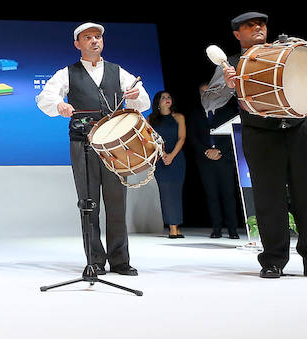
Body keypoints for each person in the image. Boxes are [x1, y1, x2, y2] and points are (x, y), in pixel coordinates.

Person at [202, 12, 307, 280]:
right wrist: (229, 86)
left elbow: (306, 84)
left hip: (297, 129)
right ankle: (273, 260)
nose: (257, 28)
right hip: (260, 134)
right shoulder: (232, 64)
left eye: (261, 24)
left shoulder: (288, 51)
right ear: (237, 34)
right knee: (269, 199)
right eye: (249, 25)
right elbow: (208, 103)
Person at [35, 22, 149, 276]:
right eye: (88, 37)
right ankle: (95, 260)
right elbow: (45, 98)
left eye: (98, 36)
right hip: (82, 143)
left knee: (117, 201)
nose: (94, 41)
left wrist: (134, 95)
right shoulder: (67, 72)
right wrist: (59, 106)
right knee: (88, 202)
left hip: (114, 146)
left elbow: (143, 100)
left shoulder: (117, 71)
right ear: (78, 44)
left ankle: (120, 260)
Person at [191, 84, 241, 239]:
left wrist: (219, 150)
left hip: (224, 159)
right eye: (203, 93)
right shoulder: (195, 113)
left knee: (228, 195)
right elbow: (193, 137)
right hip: (205, 161)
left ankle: (233, 230)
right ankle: (217, 229)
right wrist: (206, 151)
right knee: (211, 195)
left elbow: (232, 133)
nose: (207, 95)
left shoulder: (227, 111)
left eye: (210, 92)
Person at [148, 90, 187, 238]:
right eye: (163, 98)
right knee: (166, 193)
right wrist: (163, 153)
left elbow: (182, 138)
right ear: (158, 102)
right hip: (160, 158)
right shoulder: (151, 119)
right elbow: (149, 140)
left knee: (176, 192)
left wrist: (171, 155)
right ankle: (172, 227)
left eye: (169, 97)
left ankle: (176, 225)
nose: (167, 99)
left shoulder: (178, 117)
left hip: (176, 158)